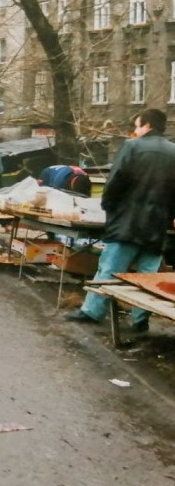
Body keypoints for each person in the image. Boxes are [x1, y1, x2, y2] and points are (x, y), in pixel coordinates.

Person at [64, 109, 175, 332]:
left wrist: (109, 210)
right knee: (147, 275)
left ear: (147, 125)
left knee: (109, 269)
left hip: (127, 222)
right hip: (156, 225)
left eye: (137, 126)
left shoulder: (132, 147)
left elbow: (115, 182)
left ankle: (92, 312)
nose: (135, 130)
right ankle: (140, 319)